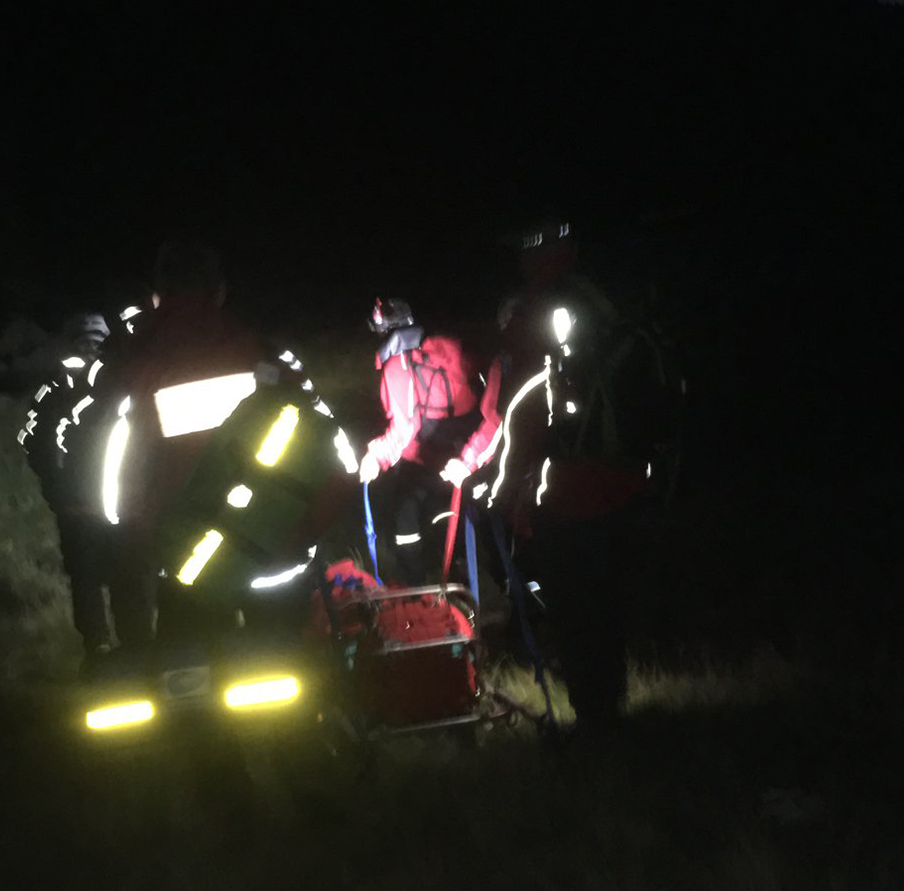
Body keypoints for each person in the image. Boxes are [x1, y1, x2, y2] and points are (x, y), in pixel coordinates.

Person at [481, 221, 685, 738]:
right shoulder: (607, 305)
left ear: (540, 253)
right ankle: (612, 711)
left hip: (568, 489)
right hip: (624, 482)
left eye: (526, 251)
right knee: (607, 604)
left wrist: (504, 489)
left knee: (576, 610)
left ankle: (594, 723)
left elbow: (525, 409)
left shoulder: (542, 311)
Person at [88, 236, 343, 649]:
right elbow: (334, 456)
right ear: (220, 292)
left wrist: (141, 541)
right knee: (289, 683)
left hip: (189, 567)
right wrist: (303, 531)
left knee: (190, 689)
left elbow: (114, 489)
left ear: (157, 296)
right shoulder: (270, 360)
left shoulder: (131, 375)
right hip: (276, 557)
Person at [356, 297, 489, 586]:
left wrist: (377, 457)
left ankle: (415, 584)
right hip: (464, 456)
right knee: (454, 518)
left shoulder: (397, 365)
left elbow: (405, 426)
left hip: (423, 459)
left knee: (406, 515)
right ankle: (462, 579)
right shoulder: (449, 350)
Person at [19, 309, 124, 660]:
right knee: (114, 572)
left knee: (91, 575)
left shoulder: (56, 388)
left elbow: (32, 440)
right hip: (109, 503)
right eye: (88, 342)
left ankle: (103, 644)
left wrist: (56, 489)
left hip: (91, 504)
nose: (91, 350)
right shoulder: (118, 381)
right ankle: (116, 644)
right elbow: (34, 440)